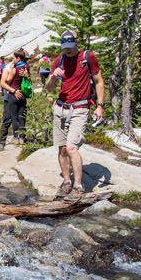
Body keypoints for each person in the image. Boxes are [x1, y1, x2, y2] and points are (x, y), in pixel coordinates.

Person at [45, 30, 104, 201]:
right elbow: (49, 87)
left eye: (70, 47)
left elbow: (99, 81)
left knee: (71, 148)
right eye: (65, 47)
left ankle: (78, 185)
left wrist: (99, 106)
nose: (68, 50)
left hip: (80, 108)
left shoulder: (87, 57)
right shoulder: (59, 60)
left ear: (76, 43)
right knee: (62, 149)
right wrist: (54, 77)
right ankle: (66, 181)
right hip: (60, 108)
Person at [0, 49, 31, 147]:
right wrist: (14, 91)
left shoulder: (23, 67)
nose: (27, 61)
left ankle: (19, 138)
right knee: (7, 119)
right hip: (11, 96)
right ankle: (2, 142)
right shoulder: (8, 67)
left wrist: (28, 76)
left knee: (18, 117)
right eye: (26, 59)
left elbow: (26, 82)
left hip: (15, 96)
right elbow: (3, 83)